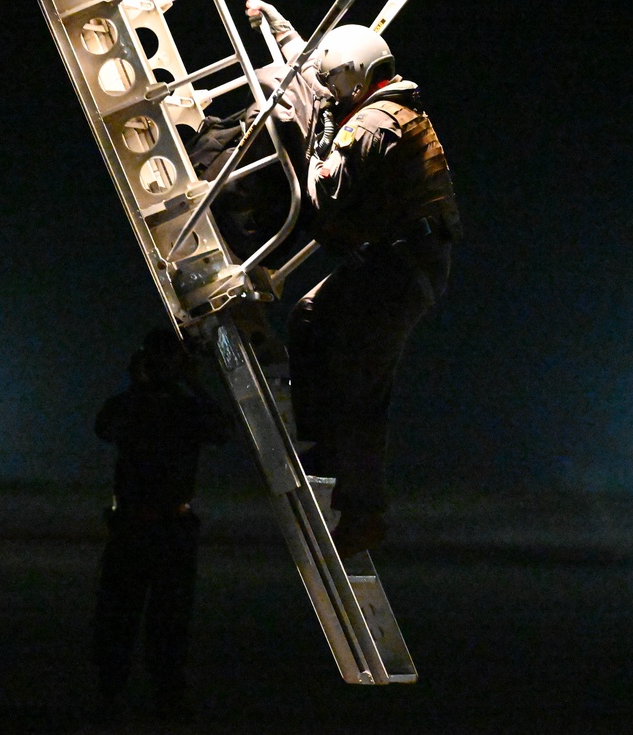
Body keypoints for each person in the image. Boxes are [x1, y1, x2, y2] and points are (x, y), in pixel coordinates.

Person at [245, 2, 463, 556]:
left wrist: (308, 154)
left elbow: (326, 199)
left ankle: (363, 510)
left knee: (363, 388)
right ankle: (321, 449)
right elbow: (320, 77)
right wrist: (280, 25)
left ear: (355, 78)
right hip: (396, 260)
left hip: (401, 265)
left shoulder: (370, 125)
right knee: (311, 316)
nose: (330, 94)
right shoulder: (379, 102)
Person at [91, 328, 231, 725]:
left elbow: (221, 430)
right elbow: (105, 426)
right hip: (135, 523)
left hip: (171, 524)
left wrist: (194, 385)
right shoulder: (134, 404)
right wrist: (141, 386)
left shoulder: (184, 408)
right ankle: (113, 691)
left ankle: (164, 693)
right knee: (119, 614)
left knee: (169, 616)